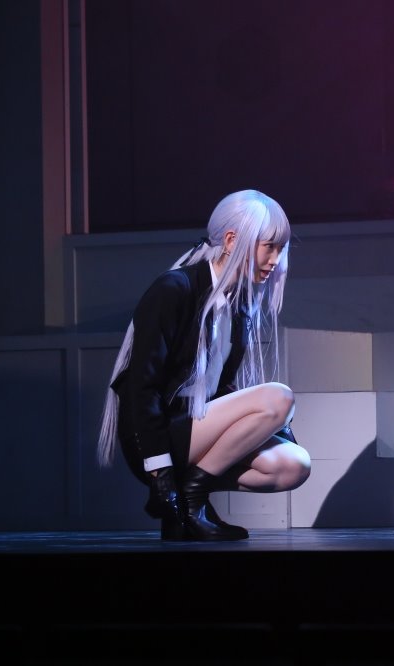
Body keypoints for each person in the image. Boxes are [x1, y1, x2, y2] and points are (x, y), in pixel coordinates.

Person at [96, 189, 311, 541]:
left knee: (293, 464)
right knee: (279, 398)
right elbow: (142, 389)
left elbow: (218, 388)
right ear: (231, 240)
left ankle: (190, 495)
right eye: (268, 247)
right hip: (154, 440)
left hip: (196, 430)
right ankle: (191, 496)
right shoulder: (174, 289)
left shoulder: (239, 305)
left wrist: (272, 427)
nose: (275, 260)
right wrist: (160, 472)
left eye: (280, 249)